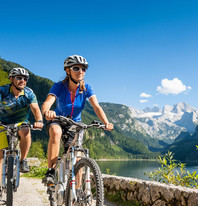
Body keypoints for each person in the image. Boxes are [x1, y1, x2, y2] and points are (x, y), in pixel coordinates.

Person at [41, 55, 113, 184]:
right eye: (76, 68)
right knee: (56, 133)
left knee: (78, 157)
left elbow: (96, 106)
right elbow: (48, 102)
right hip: (58, 119)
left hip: (75, 123)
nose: (80, 71)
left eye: (83, 69)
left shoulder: (86, 88)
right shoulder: (59, 86)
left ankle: (78, 192)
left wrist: (106, 122)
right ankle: (50, 171)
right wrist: (47, 111)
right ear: (68, 71)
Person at [0, 68, 44, 185]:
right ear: (11, 79)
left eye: (25, 79)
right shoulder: (3, 91)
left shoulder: (29, 93)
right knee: (1, 154)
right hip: (2, 123)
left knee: (26, 130)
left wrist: (39, 120)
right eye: (19, 78)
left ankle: (23, 160)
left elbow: (35, 109)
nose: (22, 80)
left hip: (20, 122)